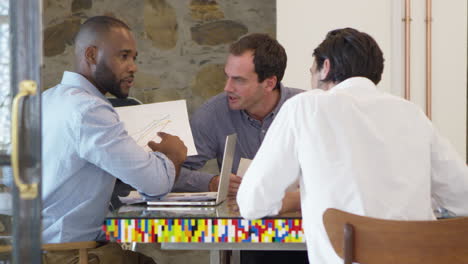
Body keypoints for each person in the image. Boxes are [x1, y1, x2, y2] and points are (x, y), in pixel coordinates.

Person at [237, 27, 468, 264]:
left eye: (312, 71)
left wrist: (296, 198)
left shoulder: (306, 107)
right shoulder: (411, 112)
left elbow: (252, 203)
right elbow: (463, 197)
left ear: (325, 67)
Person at [41, 16, 187, 264]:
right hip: (71, 255)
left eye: (134, 58)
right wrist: (173, 154)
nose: (133, 67)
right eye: (123, 56)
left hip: (33, 250)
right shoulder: (90, 110)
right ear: (91, 55)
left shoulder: (46, 99)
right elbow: (156, 185)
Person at [172, 33, 307, 263]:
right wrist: (212, 182)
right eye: (227, 77)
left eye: (239, 80)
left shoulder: (305, 108)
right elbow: (172, 173)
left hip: (308, 234)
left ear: (269, 83)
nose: (227, 87)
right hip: (246, 237)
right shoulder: (211, 115)